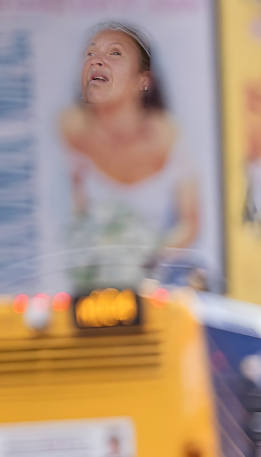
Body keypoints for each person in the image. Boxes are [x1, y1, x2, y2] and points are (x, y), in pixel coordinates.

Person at [58, 23, 205, 290]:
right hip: (86, 295)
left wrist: (144, 260)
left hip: (154, 291)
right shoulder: (70, 129)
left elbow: (190, 225)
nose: (98, 62)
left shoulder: (170, 135)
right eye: (91, 54)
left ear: (143, 80)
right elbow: (72, 215)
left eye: (115, 54)